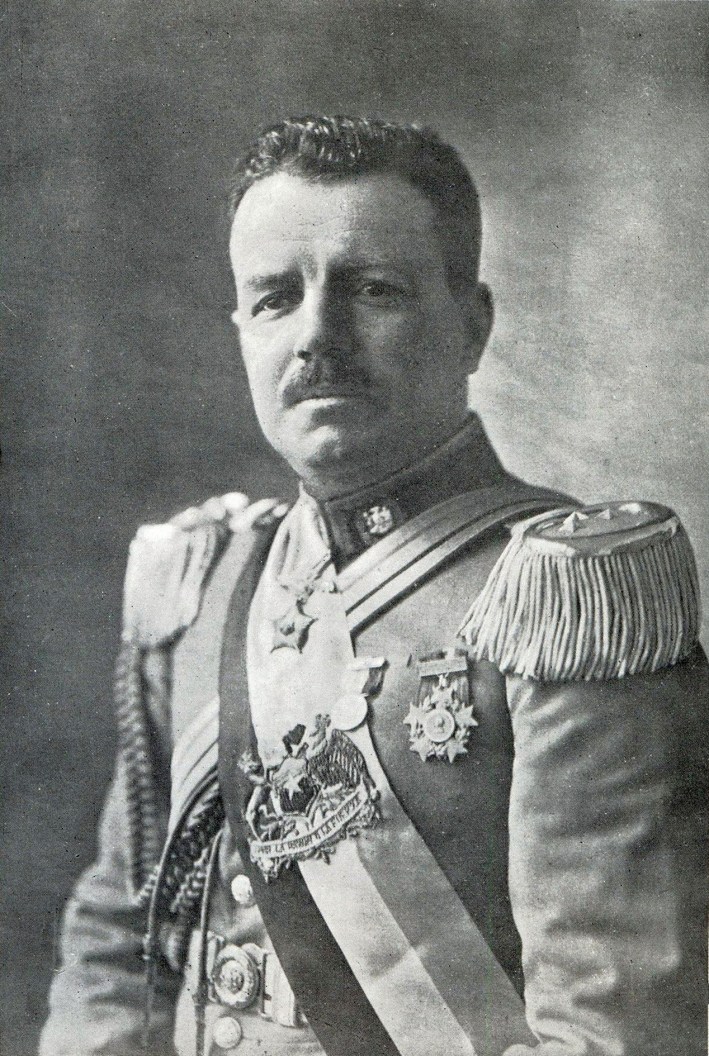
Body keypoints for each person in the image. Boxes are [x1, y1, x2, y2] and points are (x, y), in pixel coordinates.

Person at [40, 116, 708, 1056]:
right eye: (275, 298)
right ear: (242, 331)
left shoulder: (567, 600)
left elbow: (616, 1029)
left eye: (373, 290)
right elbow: (120, 944)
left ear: (472, 325)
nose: (318, 336)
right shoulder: (205, 584)